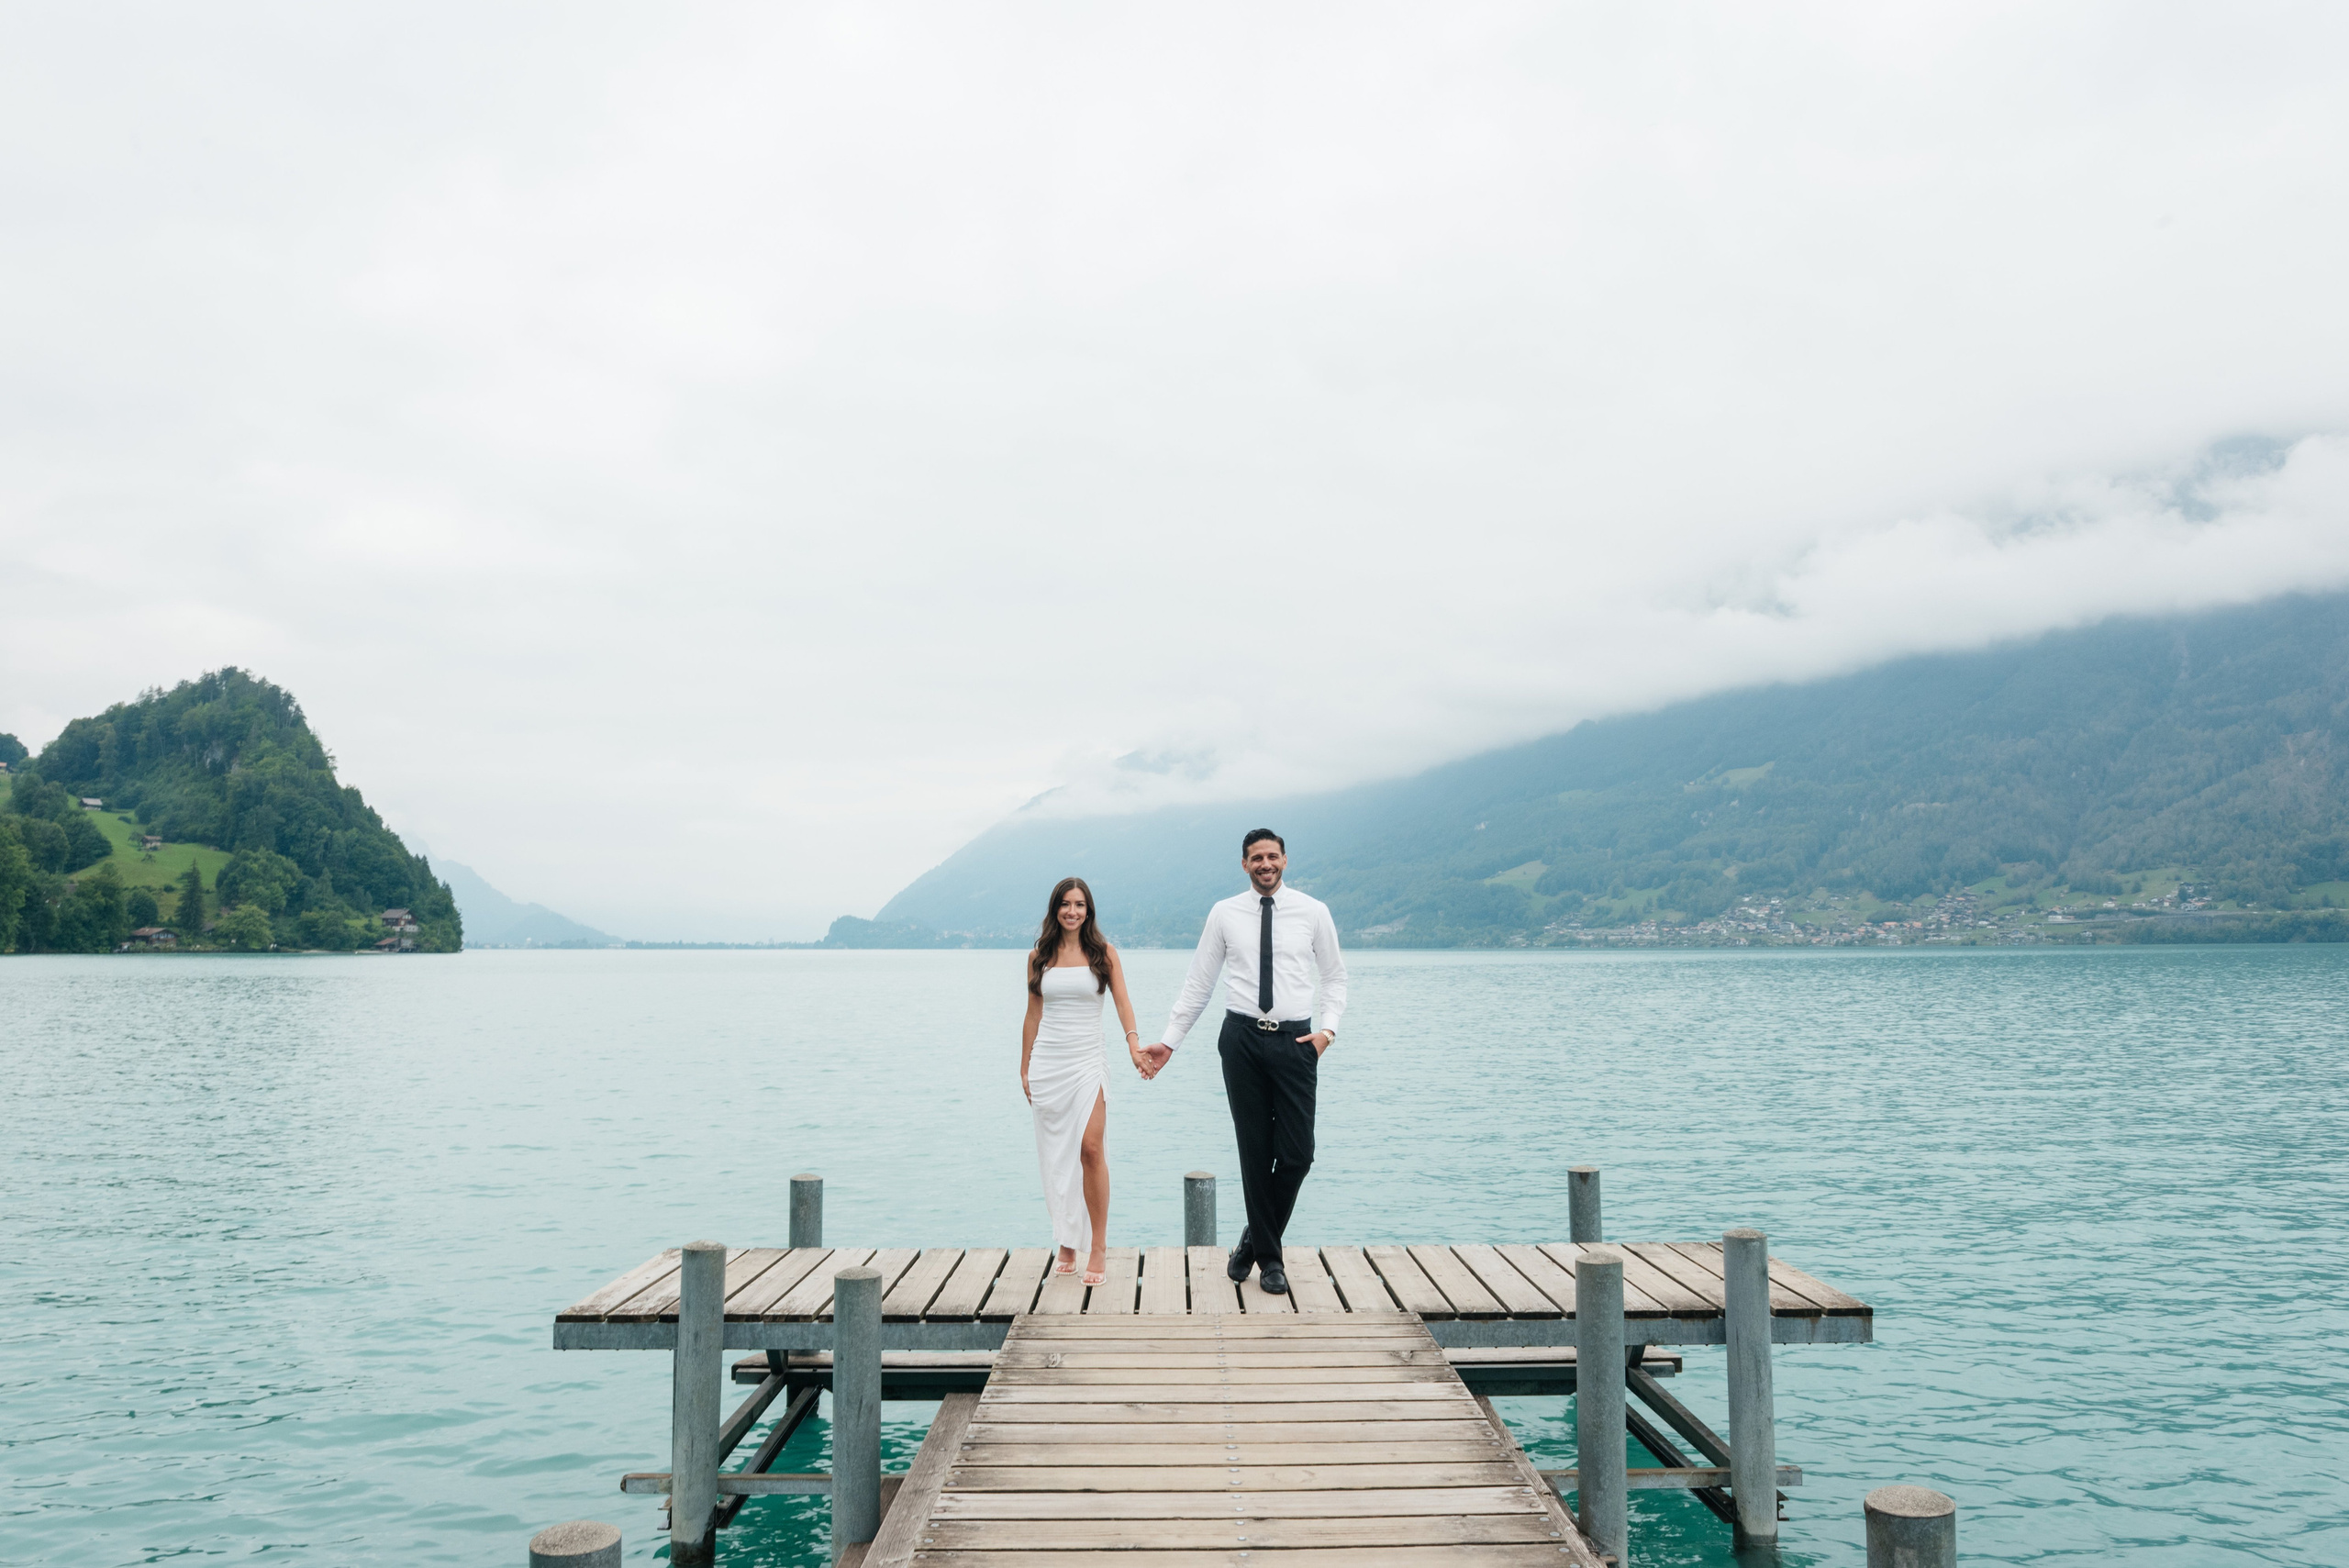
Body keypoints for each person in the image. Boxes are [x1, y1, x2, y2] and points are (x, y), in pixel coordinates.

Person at [1137, 829, 1347, 1295]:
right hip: (1241, 1040)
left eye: (1272, 856)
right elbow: (1199, 982)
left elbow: (1334, 977)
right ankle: (1271, 1262)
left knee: (1298, 1155)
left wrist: (1327, 1032)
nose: (1265, 864)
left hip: (1296, 1041)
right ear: (1245, 864)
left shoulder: (1313, 912)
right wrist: (1170, 1042)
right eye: (1256, 858)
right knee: (1254, 1152)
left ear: (1285, 860)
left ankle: (1251, 1243)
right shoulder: (1224, 913)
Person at [1021, 876, 1149, 1286]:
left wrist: (1133, 1046)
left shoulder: (1103, 953)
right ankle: (1066, 1238)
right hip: (1048, 1064)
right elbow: (1033, 1014)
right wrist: (1024, 1067)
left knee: (1090, 1149)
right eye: (1065, 904)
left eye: (1079, 904)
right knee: (1058, 1155)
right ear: (1055, 909)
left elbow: (1123, 1002)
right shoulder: (1039, 956)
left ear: (1088, 910)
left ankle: (1098, 1244)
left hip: (1088, 1061)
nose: (1072, 911)